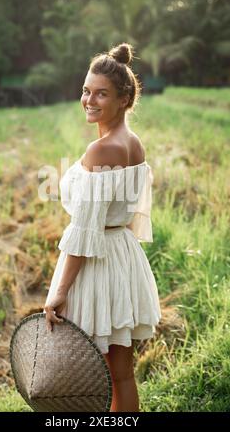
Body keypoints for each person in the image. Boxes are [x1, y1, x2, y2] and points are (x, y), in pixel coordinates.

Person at [43, 42, 161, 412]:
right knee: (121, 373)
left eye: (101, 94)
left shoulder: (103, 150)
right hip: (121, 255)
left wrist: (59, 291)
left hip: (99, 265)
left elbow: (86, 231)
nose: (89, 100)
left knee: (97, 375)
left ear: (125, 99)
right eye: (86, 91)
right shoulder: (133, 142)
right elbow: (127, 212)